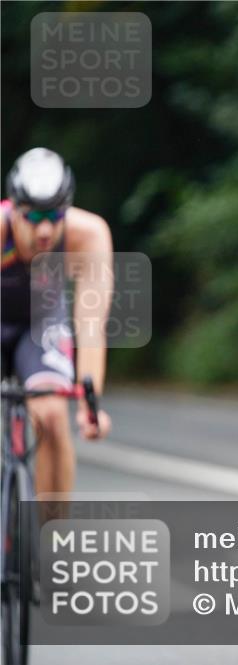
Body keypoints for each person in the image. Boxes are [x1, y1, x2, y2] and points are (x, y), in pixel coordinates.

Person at [1, 147, 113, 501]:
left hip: (41, 322)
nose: (46, 229)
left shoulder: (88, 234)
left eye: (55, 214)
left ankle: (50, 539)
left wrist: (89, 407)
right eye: (34, 217)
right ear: (14, 208)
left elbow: (91, 323)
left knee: (50, 414)